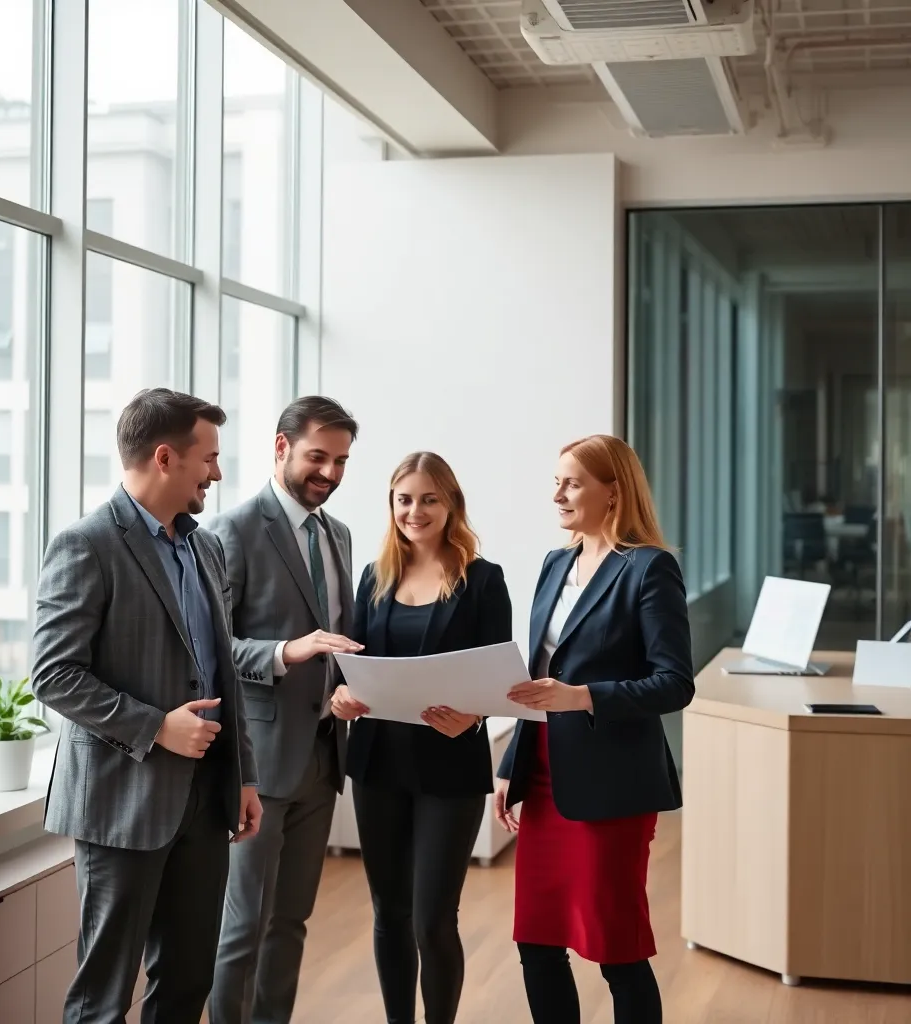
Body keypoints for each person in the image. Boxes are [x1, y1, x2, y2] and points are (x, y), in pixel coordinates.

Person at [32, 388, 262, 1024]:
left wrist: (243, 776)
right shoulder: (86, 544)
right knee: (104, 996)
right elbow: (53, 674)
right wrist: (156, 726)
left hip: (205, 798)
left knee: (188, 984)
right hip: (121, 802)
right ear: (165, 458)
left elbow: (222, 673)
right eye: (208, 459)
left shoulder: (204, 546)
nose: (217, 473)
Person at [496, 434, 694, 1024]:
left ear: (613, 492)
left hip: (612, 787)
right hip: (545, 773)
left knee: (617, 949)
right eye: (556, 480)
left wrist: (583, 697)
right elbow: (538, 675)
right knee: (536, 941)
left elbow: (674, 683)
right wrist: (511, 765)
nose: (557, 493)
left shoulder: (650, 568)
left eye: (573, 482)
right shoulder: (555, 562)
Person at [332, 451, 513, 1024]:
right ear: (391, 505)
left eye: (429, 498)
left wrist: (476, 717)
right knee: (388, 909)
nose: (415, 510)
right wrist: (341, 696)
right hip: (378, 760)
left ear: (451, 504)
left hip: (450, 764)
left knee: (434, 917)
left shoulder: (483, 580)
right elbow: (353, 664)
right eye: (405, 499)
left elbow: (499, 678)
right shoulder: (375, 576)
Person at [208, 396, 362, 1024]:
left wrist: (349, 685)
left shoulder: (339, 534)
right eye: (317, 457)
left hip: (323, 758)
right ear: (281, 447)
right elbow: (213, 648)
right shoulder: (233, 530)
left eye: (341, 461)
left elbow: (340, 641)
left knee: (292, 921)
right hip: (260, 764)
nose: (329, 472)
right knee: (242, 926)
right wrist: (284, 652)